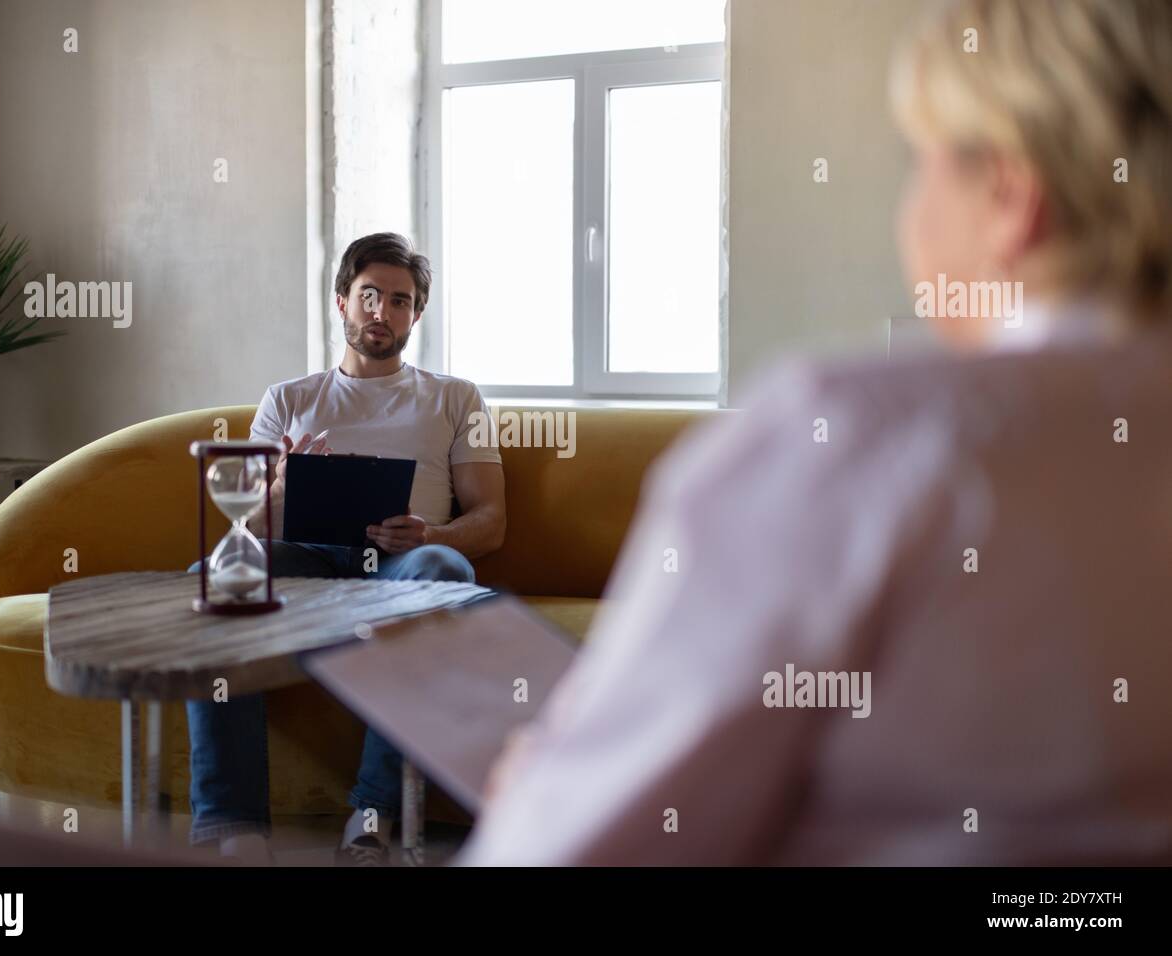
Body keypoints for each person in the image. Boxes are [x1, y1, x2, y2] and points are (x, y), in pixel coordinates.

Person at [459, 0, 1172, 865]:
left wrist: (541, 800)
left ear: (1011, 196)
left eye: (924, 159)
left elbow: (573, 850)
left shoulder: (856, 433)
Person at [187, 232, 505, 865]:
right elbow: (244, 526)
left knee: (445, 568)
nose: (381, 313)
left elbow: (491, 521)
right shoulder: (288, 399)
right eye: (369, 296)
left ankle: (370, 817)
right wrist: (279, 484)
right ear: (341, 301)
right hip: (307, 557)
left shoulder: (456, 397)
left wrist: (431, 533)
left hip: (404, 563)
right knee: (216, 575)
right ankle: (235, 825)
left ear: (415, 315)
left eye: (398, 301)